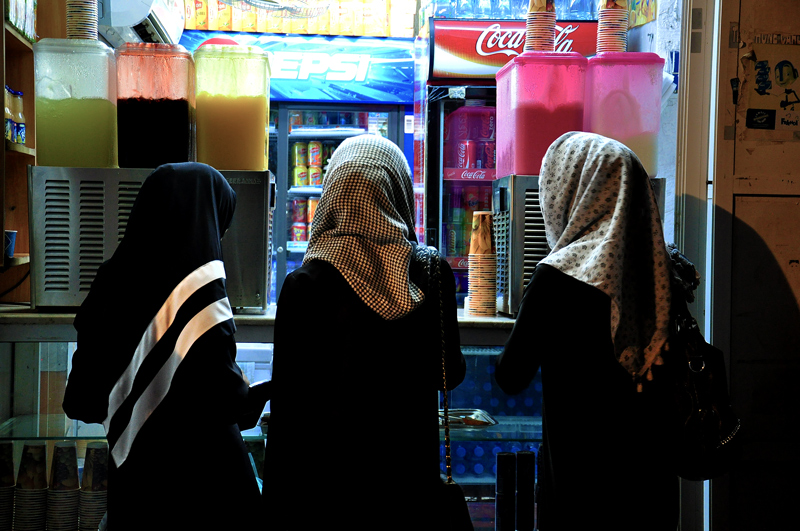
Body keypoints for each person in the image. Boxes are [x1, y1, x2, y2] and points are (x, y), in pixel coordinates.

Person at [261, 134, 467, 529]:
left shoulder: (304, 283)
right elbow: (449, 375)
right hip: (408, 487)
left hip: (327, 492)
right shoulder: (430, 271)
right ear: (397, 192)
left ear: (334, 193)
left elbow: (288, 411)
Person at [62, 163, 269, 530]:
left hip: (138, 493)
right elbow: (228, 401)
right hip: (209, 495)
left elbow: (81, 399)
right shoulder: (202, 293)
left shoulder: (110, 280)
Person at [494, 132, 679, 530]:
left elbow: (510, 377)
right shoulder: (665, 271)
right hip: (652, 485)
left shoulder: (556, 279)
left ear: (569, 190)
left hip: (581, 488)